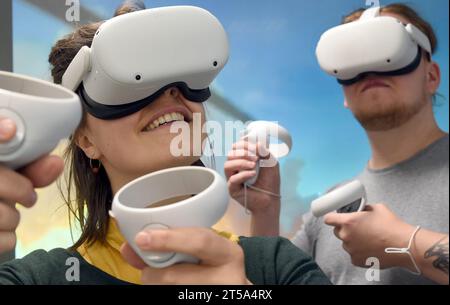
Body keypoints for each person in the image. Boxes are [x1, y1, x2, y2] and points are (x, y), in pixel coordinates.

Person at [0, 1, 330, 285]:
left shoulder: (277, 266)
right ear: (85, 139)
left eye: (182, 74)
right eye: (129, 81)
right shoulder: (38, 277)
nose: (170, 91)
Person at [226, 3, 449, 285]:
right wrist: (265, 211)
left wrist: (402, 243)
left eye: (388, 49)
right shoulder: (329, 206)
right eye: (352, 58)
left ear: (431, 77)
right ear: (345, 96)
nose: (370, 69)